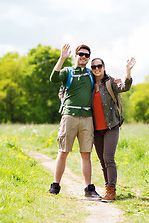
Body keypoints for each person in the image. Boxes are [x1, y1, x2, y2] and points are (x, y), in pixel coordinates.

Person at [48, 44, 101, 199]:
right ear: (76, 55)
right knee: (63, 152)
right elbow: (53, 78)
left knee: (86, 154)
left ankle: (88, 189)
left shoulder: (91, 73)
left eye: (86, 55)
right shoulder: (68, 71)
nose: (83, 57)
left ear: (89, 57)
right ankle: (55, 185)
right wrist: (62, 58)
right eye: (80, 54)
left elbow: (104, 78)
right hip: (69, 115)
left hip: (87, 118)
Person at [91, 57, 136, 202]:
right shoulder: (89, 84)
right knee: (102, 161)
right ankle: (107, 189)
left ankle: (111, 190)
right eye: (94, 67)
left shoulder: (111, 82)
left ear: (104, 67)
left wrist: (128, 71)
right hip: (96, 129)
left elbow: (125, 87)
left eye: (99, 66)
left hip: (111, 126)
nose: (96, 69)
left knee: (108, 158)